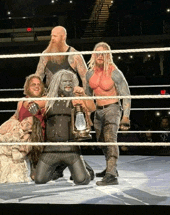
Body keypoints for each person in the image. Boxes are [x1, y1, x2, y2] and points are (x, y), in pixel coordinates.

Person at [35, 25, 93, 179]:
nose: (52, 39)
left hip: (69, 101)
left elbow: (85, 78)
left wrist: (84, 98)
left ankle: (82, 168)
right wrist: (35, 96)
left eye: (55, 36)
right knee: (52, 133)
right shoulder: (45, 54)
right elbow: (38, 77)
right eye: (51, 35)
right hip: (51, 100)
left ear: (63, 37)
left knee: (70, 134)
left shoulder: (74, 55)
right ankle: (57, 168)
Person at [35, 69, 96, 185]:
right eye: (64, 81)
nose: (68, 84)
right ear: (57, 83)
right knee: (39, 180)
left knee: (82, 180)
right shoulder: (49, 100)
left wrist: (83, 94)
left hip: (70, 148)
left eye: (70, 81)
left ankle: (87, 170)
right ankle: (57, 168)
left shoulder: (75, 99)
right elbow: (33, 104)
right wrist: (33, 107)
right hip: (51, 149)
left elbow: (92, 108)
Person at [86, 42, 131, 186]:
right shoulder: (90, 73)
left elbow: (126, 94)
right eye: (97, 52)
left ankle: (111, 175)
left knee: (110, 138)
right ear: (93, 55)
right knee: (101, 141)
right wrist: (87, 115)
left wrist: (125, 116)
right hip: (98, 110)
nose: (100, 55)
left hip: (113, 108)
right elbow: (87, 96)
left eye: (103, 53)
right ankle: (111, 168)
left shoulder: (114, 72)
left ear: (108, 56)